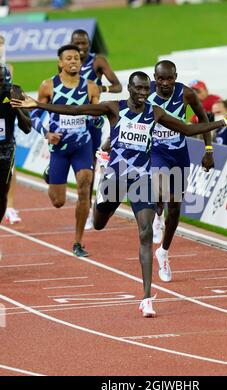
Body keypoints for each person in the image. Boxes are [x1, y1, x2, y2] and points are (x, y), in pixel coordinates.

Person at [11, 71, 227, 318]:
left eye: (147, 89)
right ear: (130, 88)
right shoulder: (114, 108)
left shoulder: (154, 113)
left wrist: (223, 123)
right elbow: (77, 110)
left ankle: (147, 297)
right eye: (139, 89)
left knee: (145, 233)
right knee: (100, 223)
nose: (144, 93)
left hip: (141, 180)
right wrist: (38, 104)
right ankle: (99, 197)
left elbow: (187, 129)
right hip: (115, 178)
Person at [30, 44, 100, 257]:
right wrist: (46, 132)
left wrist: (94, 119)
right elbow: (34, 114)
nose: (73, 61)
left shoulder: (90, 87)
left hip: (82, 146)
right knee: (58, 201)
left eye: (77, 58)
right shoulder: (48, 86)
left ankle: (78, 242)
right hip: (58, 148)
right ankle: (51, 171)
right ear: (60, 62)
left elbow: (97, 119)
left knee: (85, 184)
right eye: (68, 58)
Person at [147, 60, 214, 282]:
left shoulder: (186, 94)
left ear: (175, 77)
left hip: (179, 153)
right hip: (156, 151)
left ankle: (163, 252)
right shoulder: (145, 94)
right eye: (160, 78)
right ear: (154, 77)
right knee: (159, 187)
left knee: (175, 207)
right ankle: (157, 214)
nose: (165, 83)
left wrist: (208, 149)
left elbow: (203, 119)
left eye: (169, 78)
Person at [71, 29, 122, 230]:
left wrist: (101, 88)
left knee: (90, 165)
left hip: (91, 120)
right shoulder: (67, 61)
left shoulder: (97, 62)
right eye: (77, 44)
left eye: (84, 44)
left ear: (89, 44)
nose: (81, 48)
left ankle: (90, 208)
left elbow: (117, 86)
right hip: (72, 119)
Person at [0, 65, 32, 224]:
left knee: (2, 195)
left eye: (2, 81)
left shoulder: (14, 92)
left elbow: (26, 128)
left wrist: (18, 109)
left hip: (5, 151)